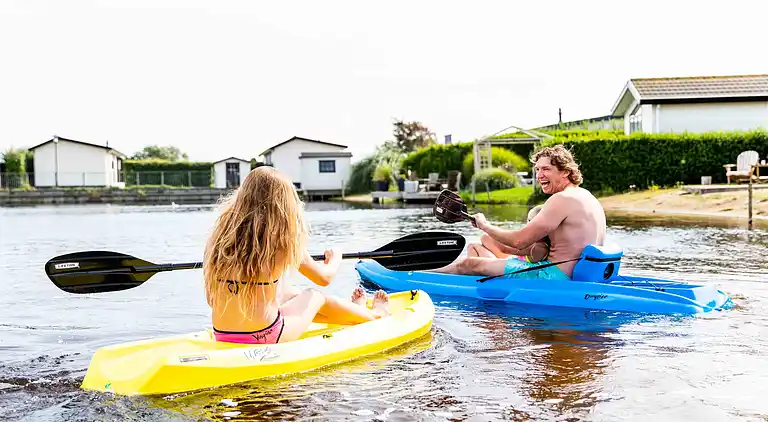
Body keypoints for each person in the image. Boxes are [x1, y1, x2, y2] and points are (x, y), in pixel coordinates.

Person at [202, 166, 390, 345]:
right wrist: (335, 258)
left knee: (288, 292)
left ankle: (355, 311)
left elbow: (211, 299)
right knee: (315, 296)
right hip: (266, 335)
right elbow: (324, 278)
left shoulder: (217, 239)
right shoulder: (283, 241)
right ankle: (377, 316)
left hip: (223, 334)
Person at [433, 144, 606, 280]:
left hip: (553, 276)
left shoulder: (562, 199)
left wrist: (485, 226)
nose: (539, 175)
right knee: (477, 249)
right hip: (579, 275)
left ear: (566, 171)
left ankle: (415, 275)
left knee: (468, 264)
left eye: (546, 169)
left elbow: (519, 241)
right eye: (537, 169)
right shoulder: (587, 196)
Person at [468, 204, 550, 263]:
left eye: (529, 221)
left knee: (473, 246)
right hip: (512, 260)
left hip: (508, 267)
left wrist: (484, 225)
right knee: (484, 238)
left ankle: (473, 278)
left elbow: (504, 248)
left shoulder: (539, 247)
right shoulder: (539, 244)